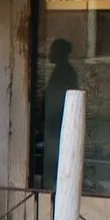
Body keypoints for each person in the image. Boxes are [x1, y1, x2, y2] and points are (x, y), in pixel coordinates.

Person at [41, 37, 79, 189]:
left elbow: (60, 100)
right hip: (54, 123)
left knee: (56, 161)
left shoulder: (64, 71)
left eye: (53, 50)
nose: (50, 53)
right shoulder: (62, 71)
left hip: (57, 124)